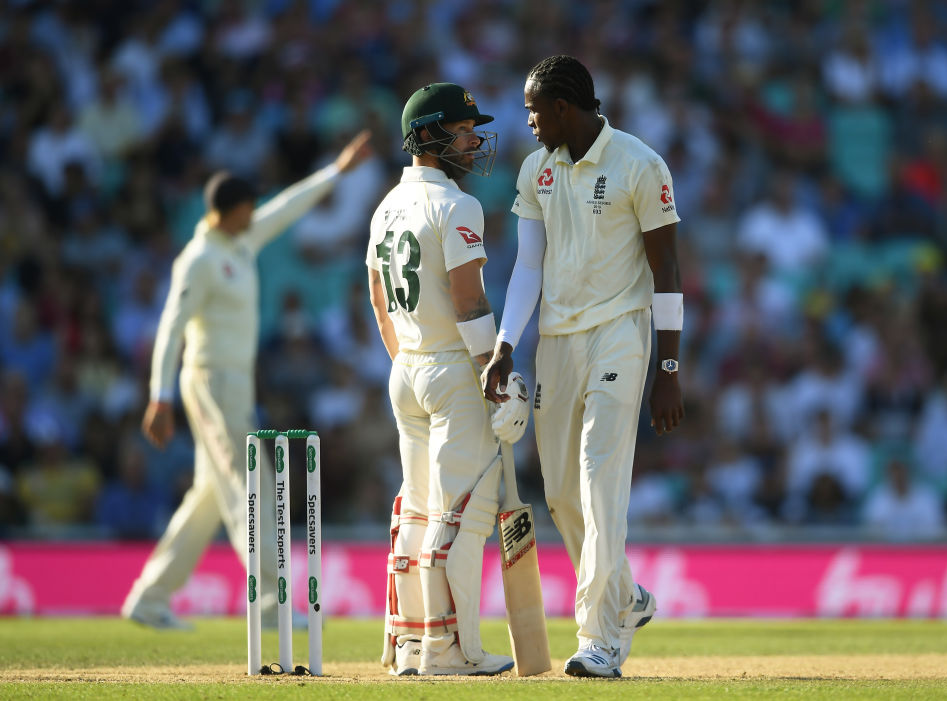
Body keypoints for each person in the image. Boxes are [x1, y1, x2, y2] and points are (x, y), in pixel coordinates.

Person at [120, 130, 373, 630]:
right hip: (211, 380)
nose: (255, 212)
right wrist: (159, 397)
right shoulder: (199, 258)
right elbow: (170, 327)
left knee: (210, 496)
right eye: (248, 206)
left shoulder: (241, 241)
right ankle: (273, 604)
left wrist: (336, 172)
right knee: (251, 483)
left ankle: (149, 598)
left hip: (234, 382)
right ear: (228, 211)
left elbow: (287, 208)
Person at [482, 55, 684, 678]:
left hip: (620, 334)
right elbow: (529, 266)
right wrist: (506, 343)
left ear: (563, 107)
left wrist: (668, 367)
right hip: (557, 341)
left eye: (534, 110)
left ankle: (600, 639)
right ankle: (625, 598)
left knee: (599, 482)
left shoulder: (639, 164)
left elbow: (667, 271)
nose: (528, 121)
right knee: (563, 495)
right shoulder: (536, 170)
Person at [368, 83, 514, 676]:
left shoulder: (385, 206)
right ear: (428, 135)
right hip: (454, 368)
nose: (474, 141)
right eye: (463, 130)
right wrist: (493, 374)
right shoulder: (456, 205)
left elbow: (379, 302)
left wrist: (407, 361)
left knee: (418, 511)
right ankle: (452, 651)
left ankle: (409, 645)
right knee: (460, 515)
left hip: (406, 368)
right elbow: (469, 301)